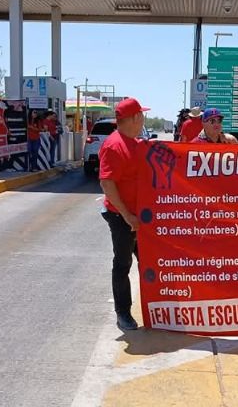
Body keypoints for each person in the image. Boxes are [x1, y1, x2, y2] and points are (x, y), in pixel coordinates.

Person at [99, 97, 149, 331]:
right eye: (142, 115)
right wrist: (128, 216)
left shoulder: (136, 143)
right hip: (122, 218)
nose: (144, 119)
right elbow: (107, 183)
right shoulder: (114, 146)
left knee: (149, 261)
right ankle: (123, 313)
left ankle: (156, 307)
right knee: (122, 264)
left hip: (140, 217)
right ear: (135, 117)